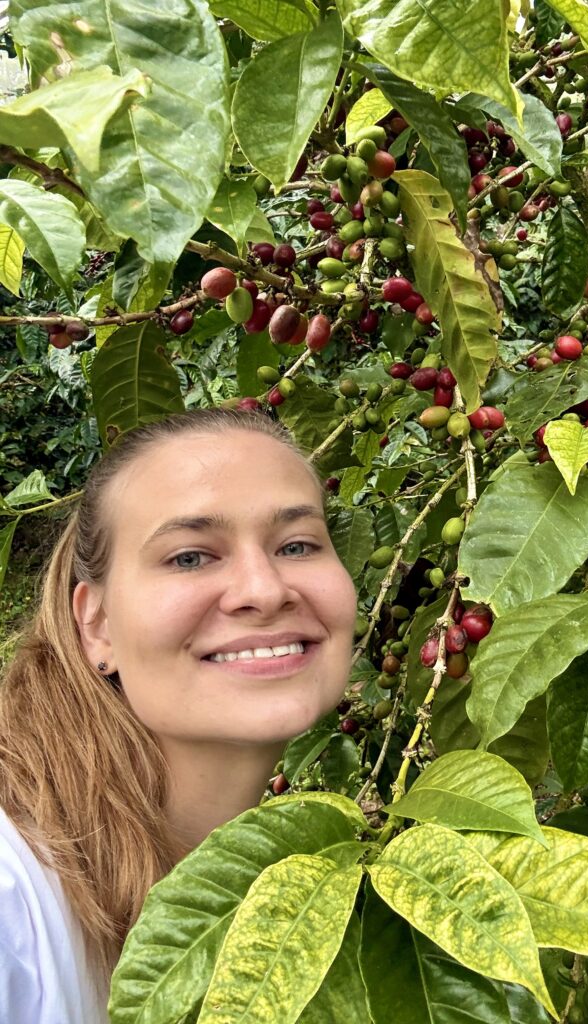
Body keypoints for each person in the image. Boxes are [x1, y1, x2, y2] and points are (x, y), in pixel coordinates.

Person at [0, 408, 358, 1023]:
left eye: (296, 545)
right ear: (97, 625)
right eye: (190, 557)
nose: (265, 590)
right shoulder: (15, 895)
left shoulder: (293, 891)